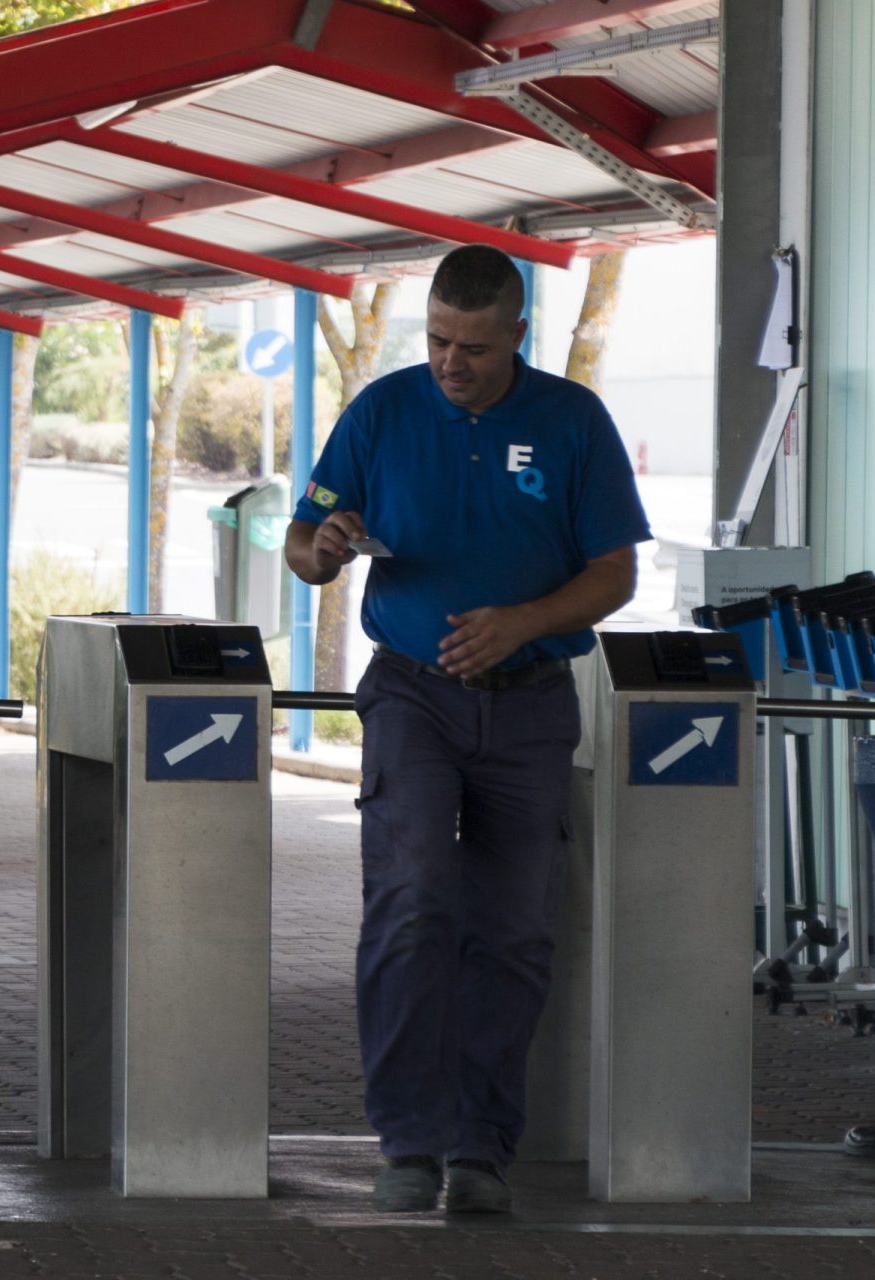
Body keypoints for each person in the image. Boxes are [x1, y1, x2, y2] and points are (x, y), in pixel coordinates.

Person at [285, 244, 651, 1215]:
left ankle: (481, 1148)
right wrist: (319, 550)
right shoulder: (383, 411)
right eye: (440, 340)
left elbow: (615, 573)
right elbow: (301, 538)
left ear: (517, 337)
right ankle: (408, 1140)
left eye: (475, 348)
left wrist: (522, 621)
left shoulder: (573, 422)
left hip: (531, 701)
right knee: (413, 896)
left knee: (515, 928)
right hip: (410, 693)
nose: (453, 362)